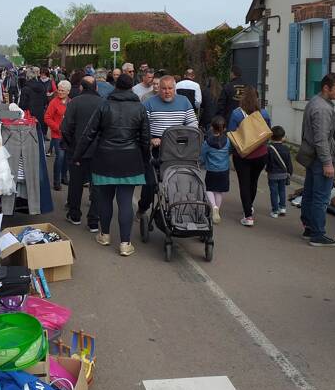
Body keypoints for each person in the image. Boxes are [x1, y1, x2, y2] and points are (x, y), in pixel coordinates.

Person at [74, 74, 150, 257]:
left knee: (105, 200)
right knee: (125, 202)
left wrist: (78, 155)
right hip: (130, 159)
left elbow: (89, 133)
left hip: (105, 158)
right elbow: (145, 138)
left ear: (116, 85)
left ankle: (105, 235)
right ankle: (125, 243)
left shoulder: (104, 105)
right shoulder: (139, 108)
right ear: (131, 87)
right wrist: (145, 160)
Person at [137, 75, 198, 216]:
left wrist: (185, 137)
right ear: (158, 89)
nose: (167, 91)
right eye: (164, 88)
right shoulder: (149, 103)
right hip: (157, 151)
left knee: (182, 180)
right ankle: (142, 208)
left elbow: (192, 124)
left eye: (170, 88)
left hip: (179, 150)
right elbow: (142, 127)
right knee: (150, 183)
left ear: (175, 89)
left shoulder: (184, 102)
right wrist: (151, 138)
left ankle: (181, 210)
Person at [296, 73, 335, 246]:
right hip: (320, 158)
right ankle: (317, 234)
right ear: (326, 87)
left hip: (313, 156)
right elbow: (321, 139)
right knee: (321, 198)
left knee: (310, 193)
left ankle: (309, 228)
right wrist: (327, 163)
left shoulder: (315, 102)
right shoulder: (323, 109)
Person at [62, 76, 102, 232]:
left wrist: (70, 144)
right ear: (96, 88)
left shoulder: (74, 103)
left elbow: (66, 127)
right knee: (97, 185)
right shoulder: (103, 103)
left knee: (76, 183)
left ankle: (75, 214)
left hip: (77, 149)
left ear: (80, 88)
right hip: (98, 150)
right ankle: (93, 220)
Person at [228, 86, 271, 227]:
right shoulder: (263, 113)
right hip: (261, 153)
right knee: (254, 182)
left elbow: (232, 134)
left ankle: (248, 215)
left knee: (244, 183)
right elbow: (267, 133)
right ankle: (249, 206)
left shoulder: (236, 114)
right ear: (257, 99)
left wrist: (229, 152)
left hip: (243, 154)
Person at [200, 116, 231, 225]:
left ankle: (213, 207)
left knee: (209, 189)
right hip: (224, 170)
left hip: (212, 170)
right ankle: (217, 208)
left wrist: (200, 162)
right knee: (219, 191)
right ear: (225, 128)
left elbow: (202, 156)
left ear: (212, 128)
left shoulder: (207, 142)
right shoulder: (227, 141)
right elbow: (230, 152)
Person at [44, 80, 72, 190]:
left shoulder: (72, 102)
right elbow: (47, 117)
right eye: (59, 90)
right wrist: (57, 127)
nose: (59, 92)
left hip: (69, 135)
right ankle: (56, 181)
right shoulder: (54, 102)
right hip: (58, 135)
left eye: (62, 91)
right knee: (60, 157)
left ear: (68, 91)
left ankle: (64, 177)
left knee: (67, 158)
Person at [267, 126, 293, 218]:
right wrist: (290, 172)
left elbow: (268, 162)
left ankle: (275, 211)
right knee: (282, 191)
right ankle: (282, 208)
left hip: (273, 174)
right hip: (283, 174)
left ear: (271, 136)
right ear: (283, 137)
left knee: (274, 192)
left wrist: (268, 170)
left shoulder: (269, 148)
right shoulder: (286, 148)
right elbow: (289, 162)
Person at [18, 67, 49, 134]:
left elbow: (22, 105)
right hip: (40, 113)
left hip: (29, 115)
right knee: (39, 135)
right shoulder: (42, 86)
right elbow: (45, 101)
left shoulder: (25, 89)